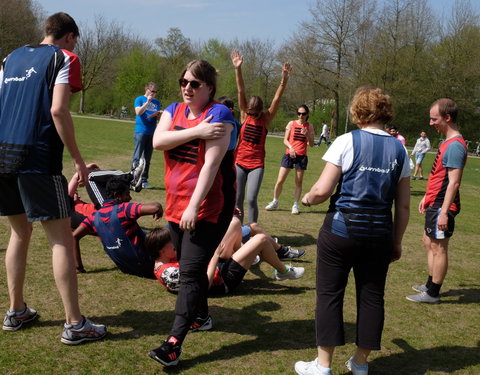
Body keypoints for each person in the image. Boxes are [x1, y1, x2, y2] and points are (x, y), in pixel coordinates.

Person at [0, 12, 106, 344]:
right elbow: (58, 110)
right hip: (37, 159)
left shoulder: (11, 57)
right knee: (60, 238)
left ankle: (16, 310)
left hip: (3, 156)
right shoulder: (65, 57)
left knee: (19, 233)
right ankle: (75, 324)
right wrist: (78, 161)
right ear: (70, 36)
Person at [294, 87, 410, 375]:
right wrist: (396, 242)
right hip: (379, 234)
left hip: (341, 231)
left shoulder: (347, 140)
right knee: (372, 297)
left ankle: (322, 366)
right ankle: (360, 362)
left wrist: (307, 198)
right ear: (385, 112)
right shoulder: (399, 148)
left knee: (330, 295)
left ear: (358, 111)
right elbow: (404, 206)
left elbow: (322, 190)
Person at [148, 59, 236, 366]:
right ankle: (202, 315)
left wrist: (193, 206)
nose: (187, 88)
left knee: (189, 273)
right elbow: (158, 141)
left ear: (209, 88)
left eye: (194, 83)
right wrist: (197, 131)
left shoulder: (220, 115)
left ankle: (173, 344)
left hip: (208, 208)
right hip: (175, 203)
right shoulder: (174, 110)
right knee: (190, 267)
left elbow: (210, 168)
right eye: (184, 82)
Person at [146, 218, 305, 299]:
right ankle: (283, 271)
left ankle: (249, 255)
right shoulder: (169, 274)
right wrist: (215, 256)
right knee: (261, 239)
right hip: (223, 280)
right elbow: (204, 287)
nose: (177, 245)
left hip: (217, 267)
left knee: (234, 222)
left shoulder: (165, 259)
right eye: (172, 245)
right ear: (162, 251)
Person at [406, 98, 467, 304]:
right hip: (435, 202)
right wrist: (427, 196)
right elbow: (437, 175)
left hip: (444, 204)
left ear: (447, 118)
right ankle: (429, 283)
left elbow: (454, 183)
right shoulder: (446, 142)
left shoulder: (456, 146)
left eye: (434, 119)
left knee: (439, 247)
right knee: (428, 242)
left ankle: (433, 293)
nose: (431, 123)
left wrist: (443, 212)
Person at [231, 49, 292, 223]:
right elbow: (241, 90)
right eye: (250, 112)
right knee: (237, 200)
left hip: (257, 164)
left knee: (251, 199)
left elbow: (276, 99)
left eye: (255, 113)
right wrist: (238, 69)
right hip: (240, 161)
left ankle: (252, 233)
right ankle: (237, 232)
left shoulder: (266, 118)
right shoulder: (244, 115)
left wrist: (284, 80)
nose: (252, 115)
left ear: (260, 111)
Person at [72, 176, 163, 278]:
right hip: (147, 265)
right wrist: (159, 206)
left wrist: (78, 267)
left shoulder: (93, 217)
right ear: (117, 196)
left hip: (125, 267)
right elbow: (155, 208)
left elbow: (73, 237)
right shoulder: (124, 209)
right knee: (169, 229)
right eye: (127, 194)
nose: (130, 198)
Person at [265, 104, 315, 215]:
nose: (301, 116)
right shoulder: (291, 124)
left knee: (298, 182)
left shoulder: (309, 126)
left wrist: (307, 135)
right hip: (289, 155)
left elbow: (311, 144)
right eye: (299, 113)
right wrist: (291, 148)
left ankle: (295, 205)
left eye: (303, 114)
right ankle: (275, 201)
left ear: (307, 115)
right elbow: (285, 140)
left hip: (301, 157)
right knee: (280, 181)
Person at [132, 82, 162, 189]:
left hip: (152, 132)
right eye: (152, 91)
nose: (154, 93)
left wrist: (159, 115)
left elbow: (158, 119)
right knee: (137, 157)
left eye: (155, 92)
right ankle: (133, 179)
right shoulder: (139, 99)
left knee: (147, 159)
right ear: (147, 89)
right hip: (141, 132)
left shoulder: (157, 102)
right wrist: (147, 102)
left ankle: (144, 180)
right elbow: (138, 112)